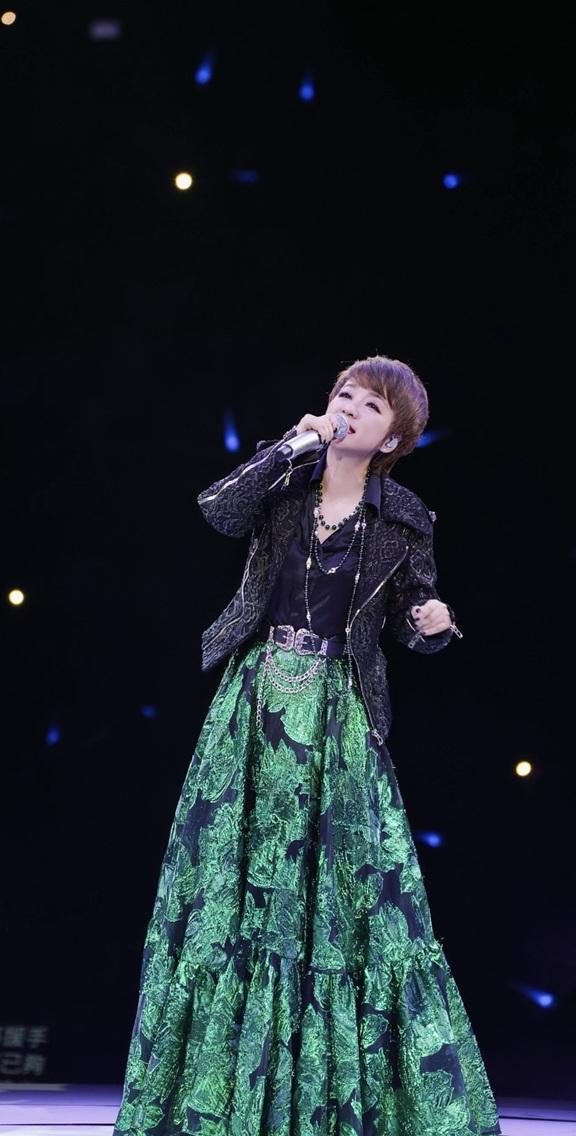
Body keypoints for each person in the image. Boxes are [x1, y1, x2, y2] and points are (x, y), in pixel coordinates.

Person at [112, 355, 503, 1136]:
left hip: (336, 716)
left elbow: (412, 614)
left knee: (344, 898)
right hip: (256, 702)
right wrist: (290, 447)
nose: (351, 407)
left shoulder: (404, 517)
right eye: (344, 395)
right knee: (232, 887)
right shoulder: (285, 480)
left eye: (372, 405)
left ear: (394, 437)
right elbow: (218, 509)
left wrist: (435, 623)